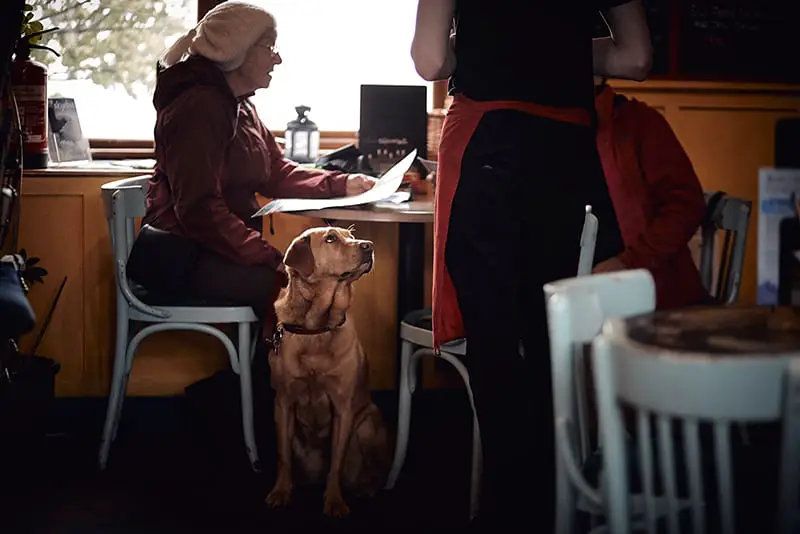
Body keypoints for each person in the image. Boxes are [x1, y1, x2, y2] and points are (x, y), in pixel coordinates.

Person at [412, 1, 652, 530]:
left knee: (494, 341)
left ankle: (508, 508)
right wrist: (556, 50)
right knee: (551, 336)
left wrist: (481, 47)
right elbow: (635, 58)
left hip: (487, 143)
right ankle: (554, 502)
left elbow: (430, 62)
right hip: (564, 152)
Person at [126, 1, 376, 330]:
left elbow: (274, 170)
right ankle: (265, 381)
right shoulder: (199, 107)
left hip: (213, 249)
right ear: (237, 51)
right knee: (300, 290)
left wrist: (340, 184)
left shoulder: (239, 105)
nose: (278, 58)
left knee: (300, 284)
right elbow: (199, 210)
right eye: (269, 47)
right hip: (180, 257)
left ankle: (252, 380)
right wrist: (268, 257)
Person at [593, 78, 711, 308]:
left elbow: (685, 204)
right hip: (577, 299)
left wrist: (630, 262)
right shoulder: (542, 134)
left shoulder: (638, 122)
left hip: (654, 300)